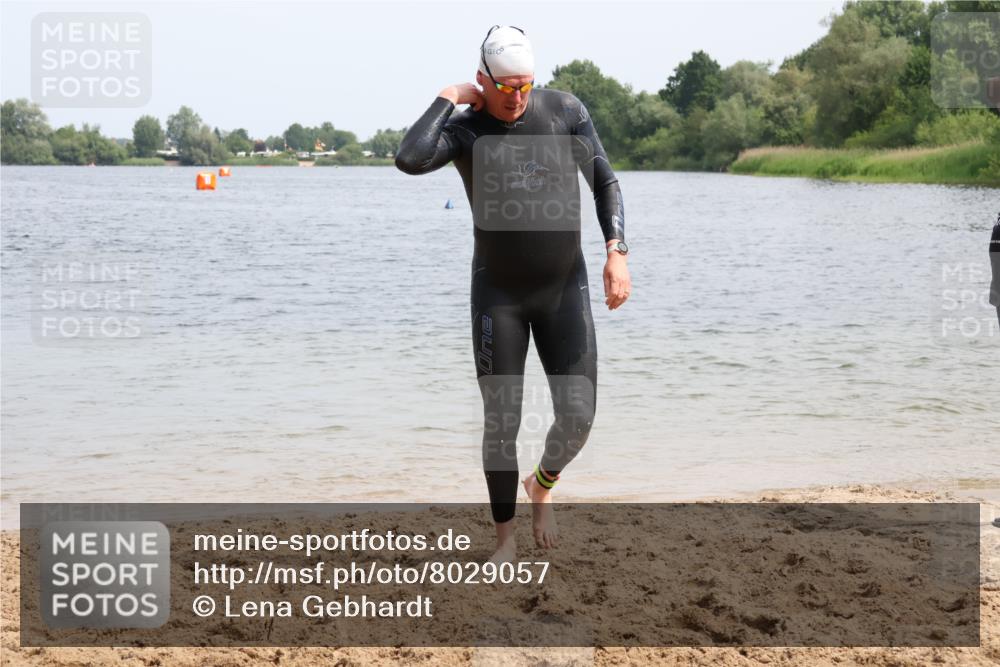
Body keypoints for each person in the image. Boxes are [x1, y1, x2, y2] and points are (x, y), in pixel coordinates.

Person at [395, 25, 631, 562]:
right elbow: (409, 158)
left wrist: (617, 250)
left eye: (525, 85)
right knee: (502, 419)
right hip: (498, 295)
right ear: (483, 80)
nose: (517, 96)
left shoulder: (564, 111)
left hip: (562, 290)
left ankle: (541, 487)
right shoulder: (464, 130)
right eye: (505, 86)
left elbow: (606, 181)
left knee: (578, 416)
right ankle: (504, 538)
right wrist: (448, 97)